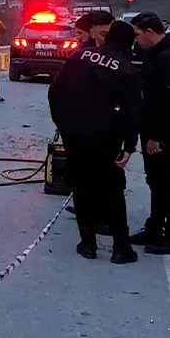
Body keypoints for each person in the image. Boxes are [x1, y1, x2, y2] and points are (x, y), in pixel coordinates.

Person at [47, 20, 142, 264]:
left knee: (81, 186)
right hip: (105, 135)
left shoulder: (79, 56)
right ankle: (121, 248)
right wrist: (129, 146)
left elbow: (55, 90)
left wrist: (62, 123)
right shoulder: (127, 69)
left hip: (74, 133)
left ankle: (87, 243)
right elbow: (132, 112)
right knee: (112, 189)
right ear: (129, 43)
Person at [129, 12, 170, 256]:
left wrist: (157, 137)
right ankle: (154, 227)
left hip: (165, 132)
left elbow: (169, 103)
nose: (136, 40)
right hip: (154, 128)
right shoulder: (157, 55)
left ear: (150, 32)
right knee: (155, 181)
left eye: (137, 34)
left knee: (166, 182)